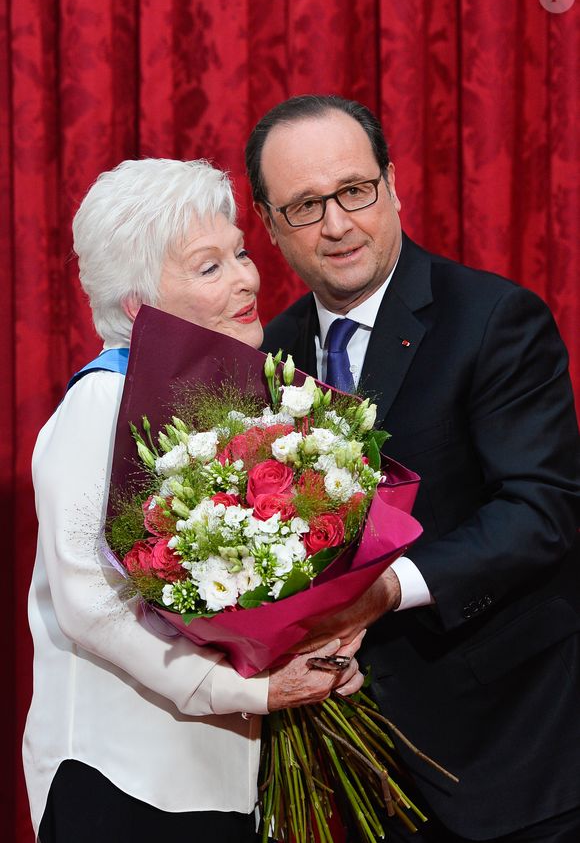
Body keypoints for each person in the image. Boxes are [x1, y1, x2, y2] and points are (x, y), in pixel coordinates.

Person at [248, 95, 580, 843]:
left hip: (514, 760)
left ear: (392, 185)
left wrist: (385, 590)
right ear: (270, 226)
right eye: (305, 206)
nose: (336, 225)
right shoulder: (271, 353)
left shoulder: (493, 318)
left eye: (354, 191)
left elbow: (544, 509)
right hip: (365, 771)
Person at [22, 158, 365, 843]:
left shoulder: (235, 411)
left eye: (239, 252)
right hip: (122, 780)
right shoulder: (102, 402)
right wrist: (252, 690)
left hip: (220, 781)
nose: (245, 277)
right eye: (209, 268)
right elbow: (91, 605)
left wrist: (318, 640)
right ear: (138, 306)